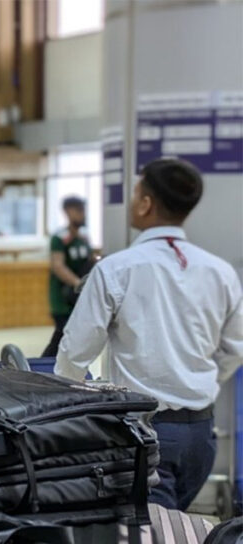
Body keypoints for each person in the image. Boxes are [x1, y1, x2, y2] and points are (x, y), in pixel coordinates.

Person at [56, 159, 243, 512]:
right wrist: (195, 380)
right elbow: (236, 348)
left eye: (135, 193)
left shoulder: (116, 269)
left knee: (153, 536)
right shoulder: (220, 272)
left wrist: (66, 403)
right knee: (173, 526)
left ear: (145, 204)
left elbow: (76, 350)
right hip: (201, 434)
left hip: (145, 434)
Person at [43, 197, 92, 357]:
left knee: (70, 339)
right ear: (68, 212)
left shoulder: (84, 238)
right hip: (63, 299)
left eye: (83, 210)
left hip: (79, 299)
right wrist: (77, 283)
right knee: (62, 338)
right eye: (78, 210)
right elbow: (58, 266)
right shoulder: (60, 238)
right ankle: (42, 366)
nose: (83, 214)